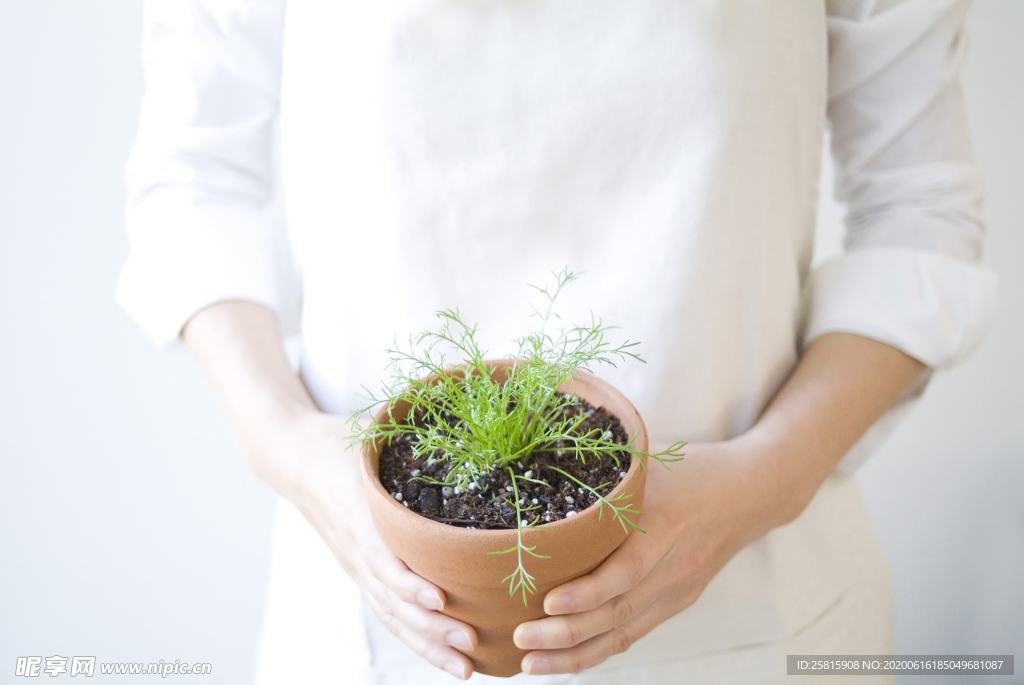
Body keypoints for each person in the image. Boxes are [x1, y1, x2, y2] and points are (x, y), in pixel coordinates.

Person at [117, 1, 996, 682]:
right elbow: (194, 179)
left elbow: (919, 212)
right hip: (379, 616)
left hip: (754, 610)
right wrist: (298, 453)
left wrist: (763, 478)